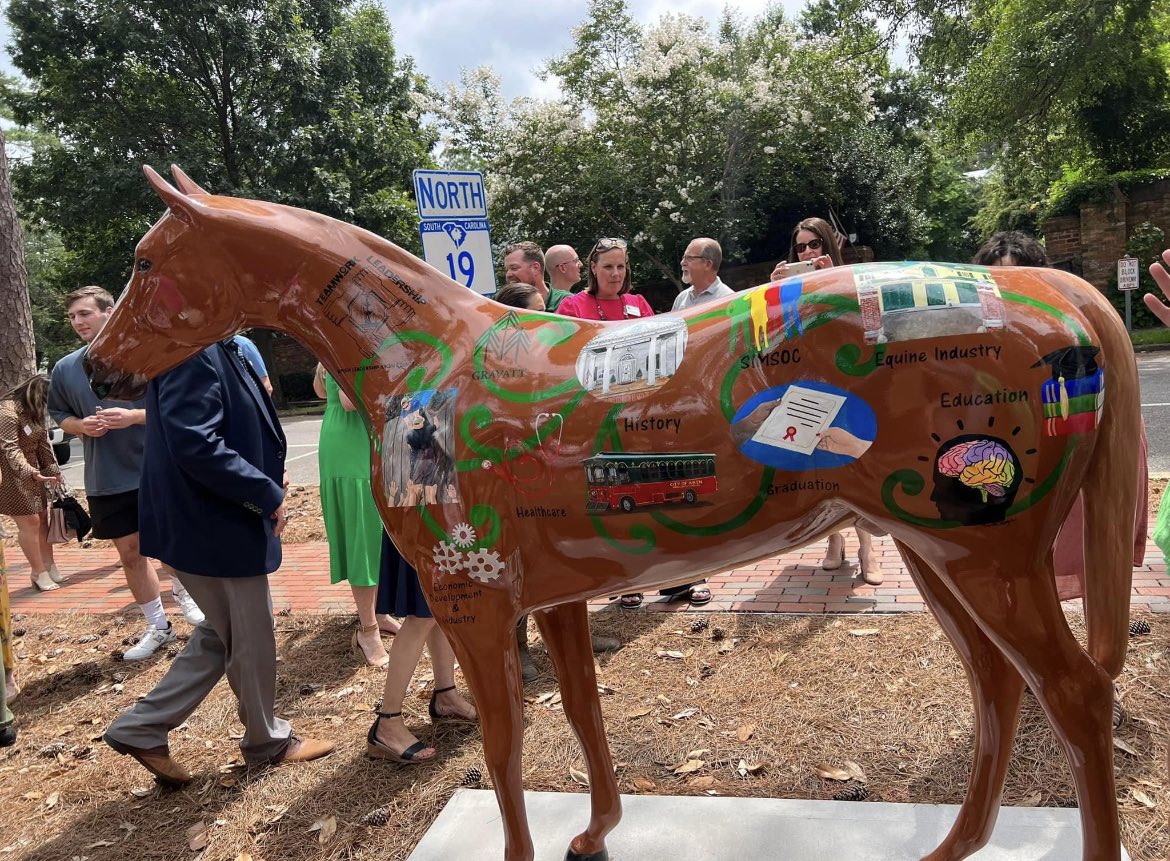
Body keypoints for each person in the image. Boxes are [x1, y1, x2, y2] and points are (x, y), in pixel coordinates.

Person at [103, 340, 333, 784]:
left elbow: (233, 426)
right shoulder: (191, 352)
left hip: (212, 520)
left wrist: (265, 472)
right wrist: (264, 493)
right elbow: (195, 443)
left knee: (221, 631)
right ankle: (267, 743)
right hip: (212, 524)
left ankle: (141, 728)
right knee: (250, 634)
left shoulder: (222, 346)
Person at [974, 232, 1149, 600]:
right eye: (996, 282)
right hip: (1022, 459)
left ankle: (1100, 625)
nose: (1007, 293)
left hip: (1080, 444)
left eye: (1018, 279)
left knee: (1090, 541)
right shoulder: (977, 337)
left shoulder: (1071, 328)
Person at [49, 286, 204, 658]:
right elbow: (60, 416)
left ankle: (189, 599)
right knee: (130, 554)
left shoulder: (144, 353)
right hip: (107, 477)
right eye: (72, 317)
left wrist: (133, 416)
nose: (77, 322)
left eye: (85, 313)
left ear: (109, 311)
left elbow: (179, 408)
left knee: (171, 547)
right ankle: (157, 626)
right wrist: (80, 427)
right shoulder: (65, 367)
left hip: (157, 468)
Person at [494, 282, 620, 677]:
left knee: (566, 555)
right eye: (537, 311)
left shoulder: (549, 352)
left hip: (558, 470)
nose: (548, 317)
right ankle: (518, 649)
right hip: (517, 477)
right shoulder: (501, 363)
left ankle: (575, 636)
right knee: (518, 562)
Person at [769, 218, 881, 584]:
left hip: (847, 381)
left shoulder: (848, 277)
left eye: (814, 244)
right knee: (818, 466)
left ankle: (868, 547)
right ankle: (833, 541)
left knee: (851, 465)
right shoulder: (789, 287)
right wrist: (774, 292)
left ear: (828, 244)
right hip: (806, 384)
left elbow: (862, 322)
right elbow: (780, 335)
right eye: (800, 247)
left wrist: (833, 280)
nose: (807, 252)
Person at [560, 238, 655, 607]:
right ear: (593, 268)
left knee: (653, 489)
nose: (616, 274)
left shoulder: (639, 304)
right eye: (608, 267)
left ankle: (676, 577)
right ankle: (626, 579)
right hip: (598, 415)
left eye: (621, 266)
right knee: (615, 496)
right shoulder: (573, 306)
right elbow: (568, 359)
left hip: (642, 413)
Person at [312, 362, 399, 668]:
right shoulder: (349, 346)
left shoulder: (335, 347)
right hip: (352, 449)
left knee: (377, 535)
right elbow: (351, 401)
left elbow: (321, 391)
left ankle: (378, 614)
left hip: (355, 443)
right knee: (364, 538)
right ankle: (368, 631)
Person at [367, 532, 477, 762]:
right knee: (423, 612)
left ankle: (445, 695)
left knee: (441, 604)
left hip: (436, 511)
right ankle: (388, 722)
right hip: (418, 512)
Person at [0, 374, 64, 592]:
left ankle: (49, 564)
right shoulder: (7, 412)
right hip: (12, 475)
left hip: (35, 473)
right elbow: (10, 448)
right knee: (30, 523)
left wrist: (54, 471)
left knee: (43, 518)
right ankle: (38, 571)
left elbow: (42, 441)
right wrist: (30, 472)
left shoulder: (32, 412)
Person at [503, 241, 571, 312]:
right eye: (506, 270)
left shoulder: (567, 302)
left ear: (535, 268)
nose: (508, 274)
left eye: (514, 268)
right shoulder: (503, 306)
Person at [672, 237, 734, 311]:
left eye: (689, 258)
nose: (682, 262)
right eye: (684, 257)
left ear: (708, 264)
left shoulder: (729, 300)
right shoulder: (681, 298)